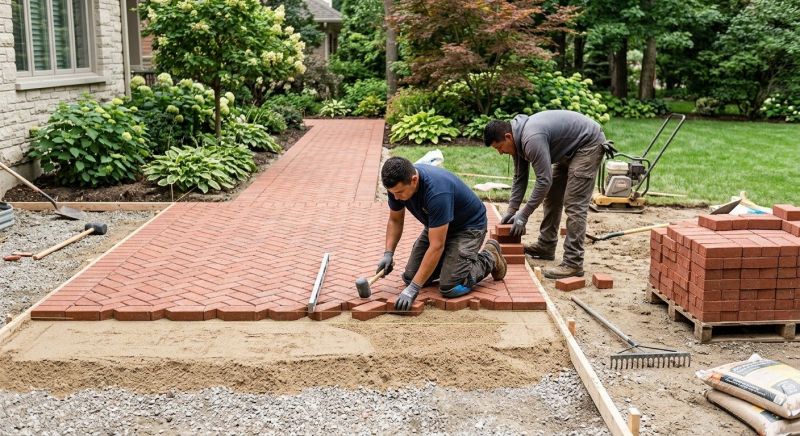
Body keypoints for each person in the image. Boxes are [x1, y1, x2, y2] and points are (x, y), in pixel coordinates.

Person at [483, 110, 607, 279]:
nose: (500, 152)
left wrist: (523, 215)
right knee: (553, 197)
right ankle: (546, 245)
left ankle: (573, 263)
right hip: (569, 149)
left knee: (574, 204)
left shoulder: (530, 139)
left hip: (588, 145)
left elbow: (543, 181)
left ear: (508, 137)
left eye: (499, 147)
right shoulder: (517, 139)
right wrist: (512, 211)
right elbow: (520, 177)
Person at [378, 157, 507, 311]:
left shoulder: (437, 192)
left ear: (414, 180)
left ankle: (490, 256)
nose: (396, 197)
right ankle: (451, 260)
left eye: (399, 192)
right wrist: (388, 253)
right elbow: (395, 221)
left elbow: (436, 246)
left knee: (451, 287)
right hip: (437, 226)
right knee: (410, 277)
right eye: (393, 193)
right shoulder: (397, 186)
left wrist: (414, 289)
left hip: (468, 228)